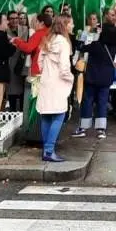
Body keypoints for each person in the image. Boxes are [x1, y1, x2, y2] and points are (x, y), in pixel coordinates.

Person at [38, 15, 75, 162]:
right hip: (58, 84)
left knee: (46, 116)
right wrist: (71, 78)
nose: (73, 26)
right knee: (59, 115)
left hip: (46, 82)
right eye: (71, 24)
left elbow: (40, 62)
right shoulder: (64, 43)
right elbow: (64, 68)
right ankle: (49, 150)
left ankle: (46, 150)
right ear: (65, 25)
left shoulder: (48, 40)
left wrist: (45, 73)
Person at [73, 23, 116, 139]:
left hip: (92, 78)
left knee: (87, 102)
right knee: (102, 103)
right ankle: (101, 130)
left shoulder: (95, 45)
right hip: (106, 79)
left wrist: (83, 35)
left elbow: (80, 47)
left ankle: (83, 128)